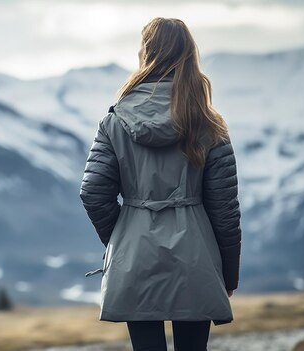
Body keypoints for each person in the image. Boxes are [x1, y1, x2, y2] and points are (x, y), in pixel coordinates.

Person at [79, 17, 242, 351]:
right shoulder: (210, 125)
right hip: (197, 258)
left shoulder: (114, 122)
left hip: (135, 256)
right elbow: (225, 210)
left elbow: (93, 192)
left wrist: (124, 241)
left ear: (145, 54)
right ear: (189, 56)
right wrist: (229, 273)